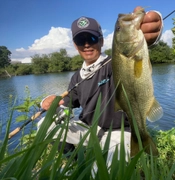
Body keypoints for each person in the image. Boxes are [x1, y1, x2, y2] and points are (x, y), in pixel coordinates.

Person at [39, 6, 163, 172]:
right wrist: (48, 101)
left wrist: (152, 30)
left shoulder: (114, 63)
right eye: (81, 40)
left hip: (118, 132)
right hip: (89, 131)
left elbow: (145, 43)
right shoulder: (77, 77)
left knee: (100, 173)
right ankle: (75, 160)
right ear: (76, 46)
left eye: (92, 38)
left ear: (102, 41)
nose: (87, 44)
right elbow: (66, 102)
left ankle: (136, 140)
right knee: (44, 125)